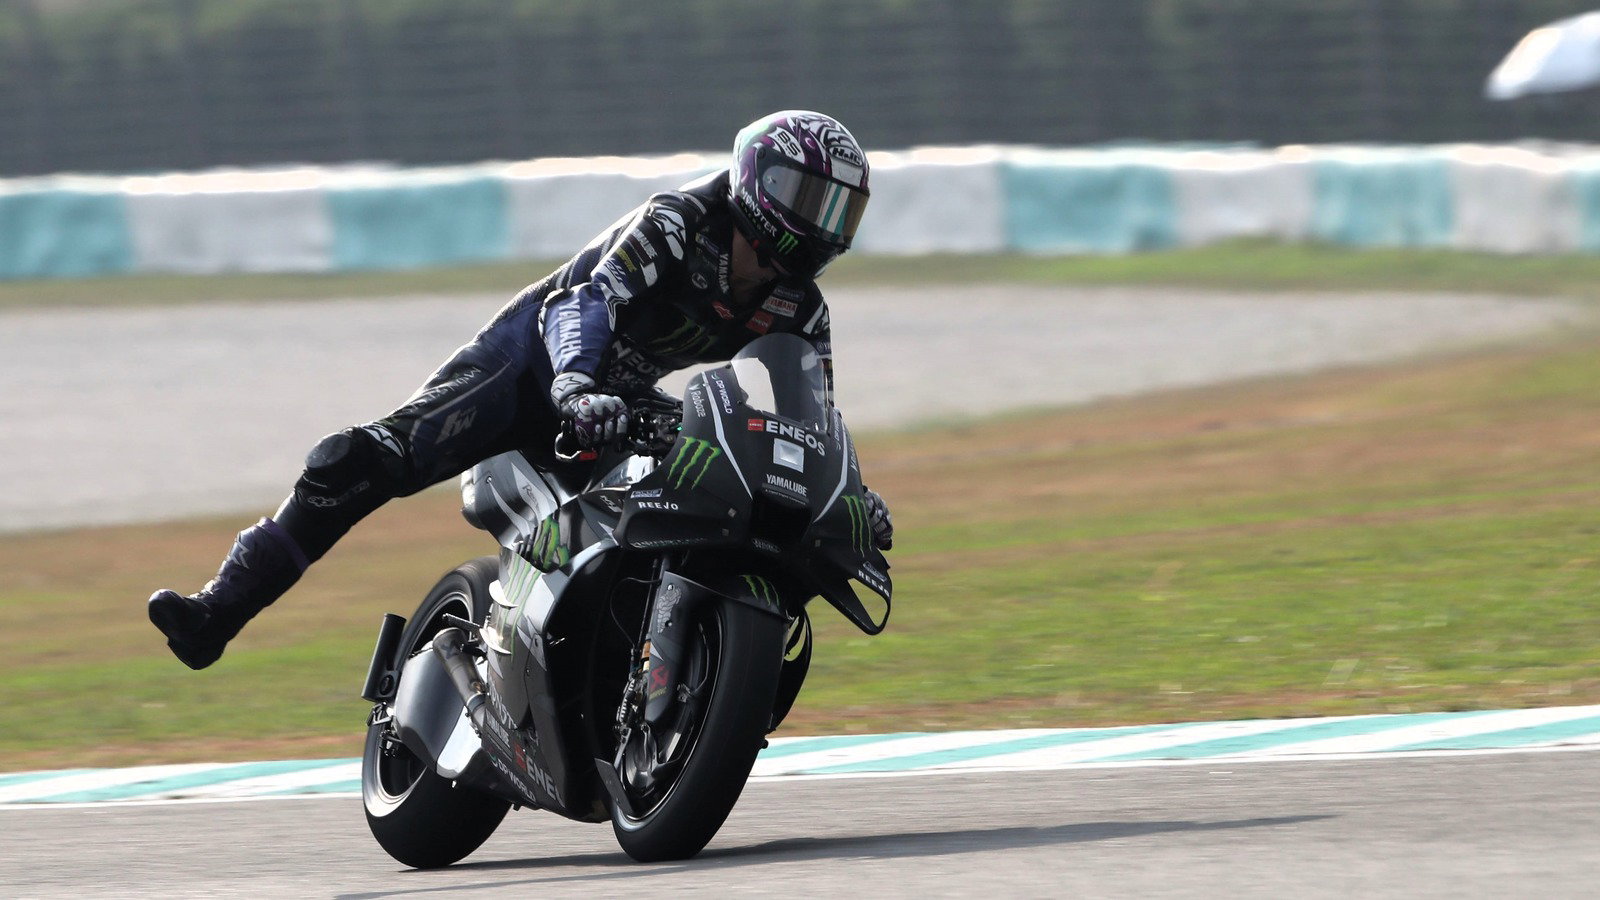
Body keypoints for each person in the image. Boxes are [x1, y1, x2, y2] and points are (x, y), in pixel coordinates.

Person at [148, 110, 895, 670]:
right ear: (758, 182)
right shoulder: (678, 223)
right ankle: (218, 611)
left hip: (623, 404)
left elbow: (810, 417)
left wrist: (848, 493)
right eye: (808, 196)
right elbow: (587, 302)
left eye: (839, 210)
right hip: (533, 368)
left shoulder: (802, 310)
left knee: (715, 491)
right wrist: (573, 382)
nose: (821, 224)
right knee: (357, 460)